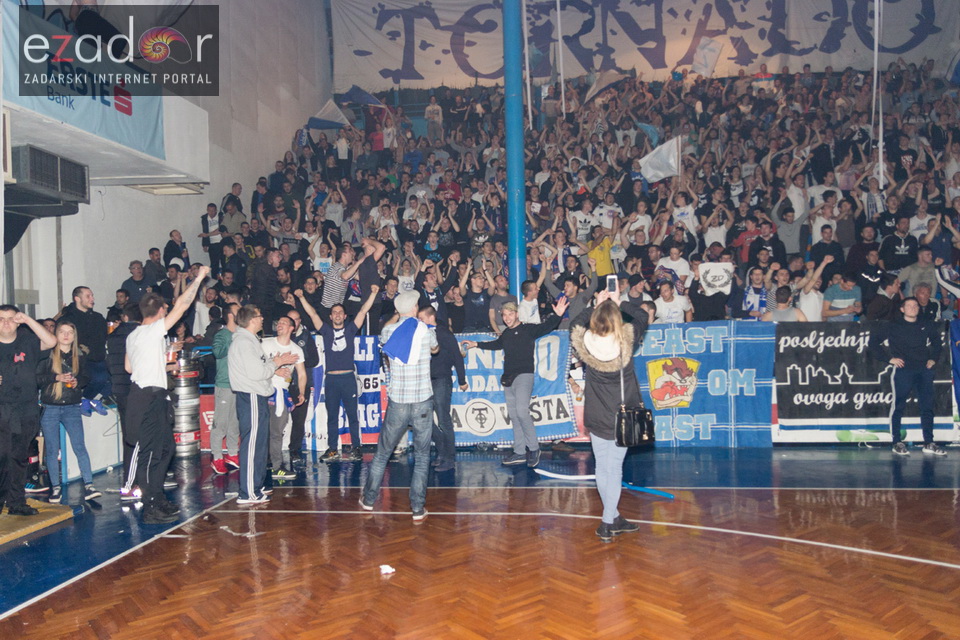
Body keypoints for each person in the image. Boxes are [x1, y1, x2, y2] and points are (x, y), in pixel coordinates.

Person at [124, 267, 209, 524]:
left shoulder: (134, 335)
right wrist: (199, 278)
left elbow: (130, 368)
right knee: (152, 452)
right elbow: (182, 305)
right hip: (148, 397)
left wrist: (163, 362)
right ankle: (150, 506)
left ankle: (157, 497)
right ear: (161, 311)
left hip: (148, 395)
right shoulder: (151, 331)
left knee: (165, 448)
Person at [569, 290, 647, 541]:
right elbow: (642, 316)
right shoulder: (626, 342)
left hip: (597, 415)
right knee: (614, 469)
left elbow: (574, 324)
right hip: (621, 418)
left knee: (603, 468)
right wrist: (620, 301)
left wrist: (596, 303)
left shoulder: (585, 343)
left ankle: (614, 517)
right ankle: (606, 523)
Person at [463, 296, 568, 468]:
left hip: (524, 375)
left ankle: (533, 448)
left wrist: (557, 315)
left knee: (521, 411)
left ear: (517, 314)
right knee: (514, 415)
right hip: (508, 378)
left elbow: (546, 327)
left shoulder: (527, 329)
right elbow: (497, 344)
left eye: (510, 314)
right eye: (504, 315)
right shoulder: (506, 333)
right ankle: (519, 452)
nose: (507, 318)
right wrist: (476, 344)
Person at [360, 291, 438, 520]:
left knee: (383, 453)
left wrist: (397, 316)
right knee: (422, 456)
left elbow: (385, 338)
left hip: (399, 402)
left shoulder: (388, 331)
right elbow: (435, 349)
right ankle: (417, 508)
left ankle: (368, 500)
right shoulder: (425, 330)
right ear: (414, 309)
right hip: (422, 400)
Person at [228, 305, 299, 505]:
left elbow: (259, 369)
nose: (262, 319)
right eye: (259, 316)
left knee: (260, 444)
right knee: (252, 445)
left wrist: (274, 366)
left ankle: (256, 486)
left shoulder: (251, 341)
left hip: (257, 396)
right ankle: (248, 492)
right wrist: (277, 363)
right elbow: (257, 373)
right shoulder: (244, 342)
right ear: (252, 320)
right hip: (251, 396)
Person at [869, 297, 945, 457]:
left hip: (924, 370)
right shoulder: (893, 325)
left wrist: (933, 358)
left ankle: (929, 442)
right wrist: (889, 359)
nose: (913, 308)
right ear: (902, 309)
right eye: (909, 305)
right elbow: (873, 342)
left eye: (915, 305)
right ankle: (896, 442)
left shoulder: (926, 324)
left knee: (927, 407)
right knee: (898, 406)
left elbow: (937, 342)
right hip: (903, 370)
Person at [0, 306, 57, 516]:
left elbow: (51, 341)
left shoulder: (27, 340)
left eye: (10, 318)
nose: (6, 323)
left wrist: (28, 320)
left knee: (19, 457)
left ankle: (16, 502)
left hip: (26, 408)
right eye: (1, 319)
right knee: (2, 456)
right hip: (2, 408)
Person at [37, 321, 100, 503]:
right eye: (62, 332)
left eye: (70, 332)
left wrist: (77, 382)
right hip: (50, 406)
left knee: (79, 446)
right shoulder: (46, 355)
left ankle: (89, 485)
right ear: (55, 334)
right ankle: (55, 488)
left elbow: (86, 377)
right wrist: (55, 377)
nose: (66, 335)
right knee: (52, 449)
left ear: (74, 336)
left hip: (72, 406)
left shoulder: (80, 356)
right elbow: (37, 379)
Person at [314, 287, 379, 462]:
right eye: (334, 312)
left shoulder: (350, 330)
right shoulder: (326, 332)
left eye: (340, 312)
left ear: (344, 316)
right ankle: (332, 449)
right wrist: (301, 298)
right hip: (331, 380)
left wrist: (373, 293)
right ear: (330, 316)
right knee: (332, 416)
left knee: (352, 415)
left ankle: (356, 447)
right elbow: (313, 315)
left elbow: (363, 310)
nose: (337, 315)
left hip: (348, 378)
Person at [418, 305, 467, 473]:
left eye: (421, 319)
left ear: (431, 318)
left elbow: (457, 356)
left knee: (443, 419)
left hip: (441, 379)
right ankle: (442, 451)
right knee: (425, 419)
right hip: (426, 381)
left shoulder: (444, 334)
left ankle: (449, 458)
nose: (420, 322)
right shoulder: (423, 333)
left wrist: (462, 379)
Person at [260, 316, 306, 480]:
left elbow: (302, 374)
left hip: (281, 394)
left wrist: (301, 392)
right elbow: (255, 364)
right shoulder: (266, 343)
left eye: (283, 323)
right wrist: (275, 369)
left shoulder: (296, 349)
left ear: (292, 328)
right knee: (260, 430)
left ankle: (276, 466)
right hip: (262, 391)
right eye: (278, 322)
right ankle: (260, 464)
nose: (279, 325)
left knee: (276, 432)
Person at [106, 302, 142, 501]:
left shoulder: (112, 337)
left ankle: (131, 479)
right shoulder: (140, 335)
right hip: (137, 389)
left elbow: (108, 363)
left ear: (125, 317)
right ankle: (136, 481)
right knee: (142, 437)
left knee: (129, 436)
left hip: (119, 390)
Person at [209, 303, 241, 475]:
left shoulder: (242, 334)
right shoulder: (222, 334)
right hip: (224, 384)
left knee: (234, 423)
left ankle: (232, 454)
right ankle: (217, 457)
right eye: (237, 311)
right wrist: (232, 339)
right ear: (230, 315)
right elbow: (217, 352)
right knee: (220, 423)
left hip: (239, 384)